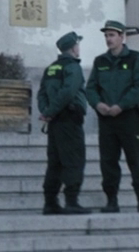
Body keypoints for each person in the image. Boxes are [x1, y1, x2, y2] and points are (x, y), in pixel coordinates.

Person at [85, 19, 139, 212]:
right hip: (107, 119)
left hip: (129, 117)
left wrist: (121, 106)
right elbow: (91, 88)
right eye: (106, 35)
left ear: (122, 37)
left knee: (135, 159)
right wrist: (98, 104)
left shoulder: (135, 58)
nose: (108, 39)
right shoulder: (100, 61)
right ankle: (111, 201)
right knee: (108, 162)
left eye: (112, 35)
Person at [37, 31, 90, 215]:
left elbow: (42, 93)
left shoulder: (51, 68)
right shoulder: (73, 67)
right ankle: (71, 201)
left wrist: (46, 112)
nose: (79, 48)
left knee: (55, 163)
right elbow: (68, 92)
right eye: (78, 45)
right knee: (74, 160)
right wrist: (50, 111)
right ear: (73, 48)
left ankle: (50, 202)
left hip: (54, 122)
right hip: (69, 119)